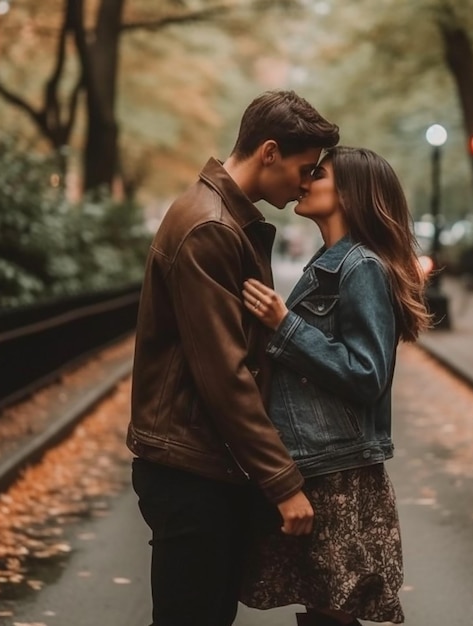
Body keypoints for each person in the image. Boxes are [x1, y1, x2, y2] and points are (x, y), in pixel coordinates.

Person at [126, 90, 339, 626]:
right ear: (269, 152)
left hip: (204, 464)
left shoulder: (224, 221)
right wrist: (283, 483)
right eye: (304, 167)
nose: (307, 183)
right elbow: (224, 373)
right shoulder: (211, 228)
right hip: (190, 469)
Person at [241, 146, 431, 625]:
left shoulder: (360, 266)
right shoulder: (331, 262)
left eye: (317, 173)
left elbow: (369, 375)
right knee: (323, 608)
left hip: (339, 470)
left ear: (348, 191)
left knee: (331, 611)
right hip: (322, 463)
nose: (304, 180)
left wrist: (285, 325)